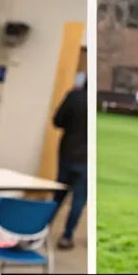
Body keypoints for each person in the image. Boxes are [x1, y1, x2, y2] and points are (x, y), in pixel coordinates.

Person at [50, 79, 88, 250]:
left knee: (58, 194)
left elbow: (58, 121)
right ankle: (67, 236)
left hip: (68, 153)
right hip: (88, 159)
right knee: (78, 200)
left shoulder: (74, 96)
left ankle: (42, 227)